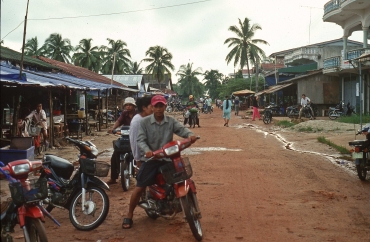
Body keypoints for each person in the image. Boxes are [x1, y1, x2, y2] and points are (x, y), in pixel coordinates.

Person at [122, 95, 197, 229]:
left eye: (161, 106)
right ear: (152, 106)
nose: (158, 109)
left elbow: (182, 129)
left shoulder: (170, 121)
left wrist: (190, 135)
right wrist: (147, 151)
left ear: (165, 106)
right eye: (156, 106)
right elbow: (140, 140)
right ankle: (129, 215)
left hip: (169, 158)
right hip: (151, 159)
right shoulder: (144, 123)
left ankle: (178, 202)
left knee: (182, 175)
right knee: (139, 187)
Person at [107, 97, 137, 185]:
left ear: (133, 106)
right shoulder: (124, 114)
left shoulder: (138, 114)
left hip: (136, 137)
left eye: (130, 105)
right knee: (115, 153)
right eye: (126, 105)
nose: (128, 107)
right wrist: (113, 129)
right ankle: (113, 178)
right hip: (125, 137)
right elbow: (118, 122)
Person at [129, 96, 153, 170]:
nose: (154, 109)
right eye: (151, 106)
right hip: (144, 158)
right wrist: (138, 160)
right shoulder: (137, 121)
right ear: (144, 108)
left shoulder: (148, 118)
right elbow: (135, 142)